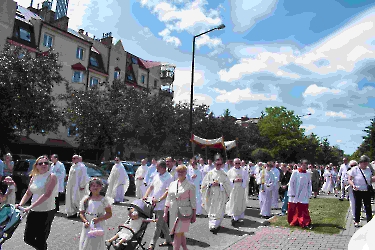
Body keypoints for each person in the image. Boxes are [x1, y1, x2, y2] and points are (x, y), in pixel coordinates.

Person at [16, 155, 58, 250]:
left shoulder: (52, 176)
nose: (43, 164)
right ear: (36, 166)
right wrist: (21, 204)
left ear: (49, 165)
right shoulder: (34, 177)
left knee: (41, 239)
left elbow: (47, 194)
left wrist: (29, 207)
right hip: (34, 210)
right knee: (28, 238)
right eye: (41, 163)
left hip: (46, 211)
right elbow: (28, 192)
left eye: (46, 163)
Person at [164, 165, 196, 250]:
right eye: (179, 171)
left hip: (184, 212)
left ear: (186, 173)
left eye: (182, 171)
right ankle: (185, 248)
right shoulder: (172, 184)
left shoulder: (190, 185)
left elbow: (193, 201)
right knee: (180, 233)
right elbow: (168, 199)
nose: (180, 173)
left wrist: (194, 215)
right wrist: (165, 213)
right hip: (173, 211)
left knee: (177, 234)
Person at [143, 160, 173, 250]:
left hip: (162, 205)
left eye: (157, 167)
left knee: (158, 225)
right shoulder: (156, 175)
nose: (156, 169)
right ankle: (168, 240)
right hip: (154, 204)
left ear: (163, 168)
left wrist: (159, 200)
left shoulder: (169, 177)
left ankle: (152, 244)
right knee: (163, 224)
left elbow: (168, 191)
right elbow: (151, 187)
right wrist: (145, 195)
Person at [201, 154, 232, 234]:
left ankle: (216, 225)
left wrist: (220, 185)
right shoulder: (210, 173)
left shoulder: (224, 174)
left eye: (220, 164)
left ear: (222, 165)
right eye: (217, 164)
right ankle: (212, 225)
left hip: (220, 195)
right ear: (214, 164)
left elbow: (228, 185)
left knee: (219, 210)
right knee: (212, 209)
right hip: (211, 195)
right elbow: (204, 184)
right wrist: (210, 184)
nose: (218, 166)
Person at [79, 178, 113, 250]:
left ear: (101, 187)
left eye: (97, 185)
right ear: (90, 188)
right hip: (88, 223)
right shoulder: (86, 199)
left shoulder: (104, 200)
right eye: (93, 186)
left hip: (99, 224)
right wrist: (85, 221)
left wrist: (99, 219)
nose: (95, 187)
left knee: (96, 244)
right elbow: (81, 213)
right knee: (85, 243)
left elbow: (109, 214)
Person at [348, 155, 374, 227]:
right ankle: (357, 221)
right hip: (357, 190)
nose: (366, 165)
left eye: (367, 163)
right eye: (365, 163)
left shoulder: (368, 169)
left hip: (366, 190)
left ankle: (369, 221)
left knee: (368, 206)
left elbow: (370, 179)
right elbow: (349, 179)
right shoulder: (355, 169)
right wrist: (353, 185)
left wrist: (373, 179)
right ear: (361, 162)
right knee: (357, 206)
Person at [287, 160, 312, 228]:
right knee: (295, 208)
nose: (304, 167)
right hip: (296, 193)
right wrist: (292, 192)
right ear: (300, 165)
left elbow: (309, 184)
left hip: (304, 193)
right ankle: (295, 221)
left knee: (304, 208)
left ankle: (305, 222)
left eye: (306, 165)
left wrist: (309, 192)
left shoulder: (308, 173)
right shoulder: (295, 172)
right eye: (303, 165)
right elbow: (291, 182)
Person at [226, 158, 249, 225]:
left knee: (240, 203)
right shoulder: (230, 171)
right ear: (233, 163)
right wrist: (233, 180)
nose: (238, 164)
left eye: (239, 163)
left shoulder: (244, 170)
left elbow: (247, 179)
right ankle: (234, 218)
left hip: (241, 189)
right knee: (234, 203)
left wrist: (242, 180)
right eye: (236, 163)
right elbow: (227, 180)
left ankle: (239, 217)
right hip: (234, 189)